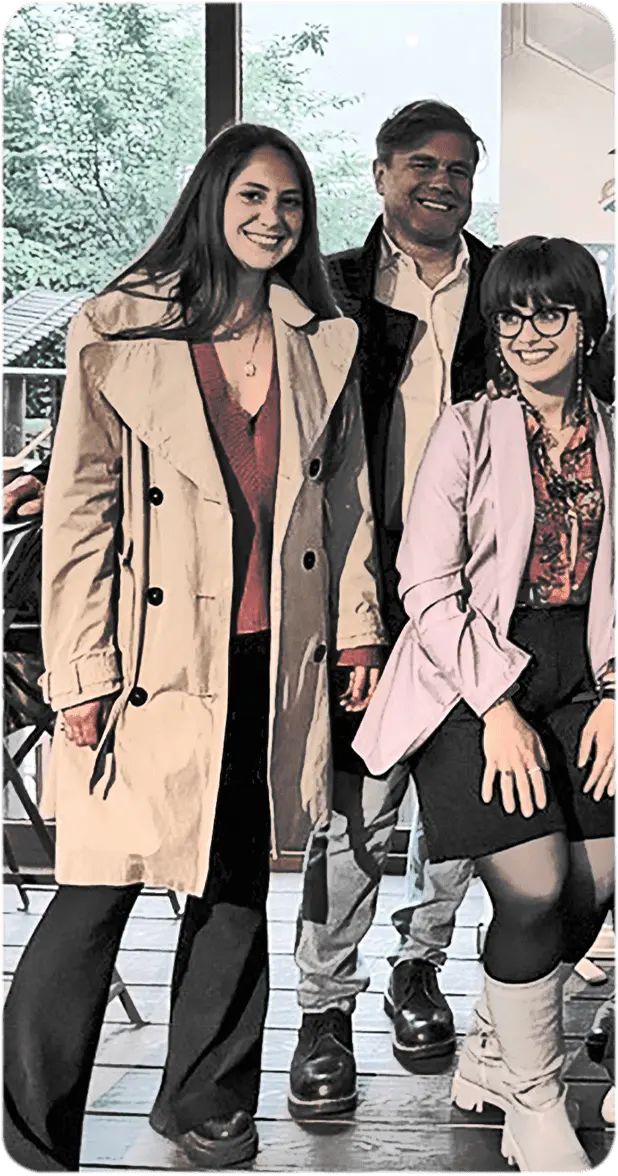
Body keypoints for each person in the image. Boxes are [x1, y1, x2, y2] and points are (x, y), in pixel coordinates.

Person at [1, 122, 386, 1174]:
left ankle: (205, 1100)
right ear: (211, 200)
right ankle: (27, 1135)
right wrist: (80, 673)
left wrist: (358, 633)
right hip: (146, 662)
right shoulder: (119, 330)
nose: (272, 218)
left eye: (290, 202)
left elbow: (346, 503)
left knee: (236, 883)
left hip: (274, 651)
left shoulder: (322, 338)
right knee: (97, 892)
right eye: (252, 196)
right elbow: (79, 514)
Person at [354, 235, 616, 1173]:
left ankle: (495, 1050)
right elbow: (425, 585)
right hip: (470, 675)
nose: (529, 333)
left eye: (551, 313)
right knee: (535, 886)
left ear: (589, 325)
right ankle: (533, 1102)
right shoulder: (466, 430)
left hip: (587, 675)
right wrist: (498, 706)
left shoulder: (614, 432)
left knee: (595, 881)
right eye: (511, 315)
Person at [289, 99, 496, 1120]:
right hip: (358, 592)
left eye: (459, 168)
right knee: (355, 813)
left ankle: (421, 965)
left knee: (455, 808)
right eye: (422, 163)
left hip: (473, 595)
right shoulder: (325, 288)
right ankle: (324, 1008)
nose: (441, 182)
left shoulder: (506, 289)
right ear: (380, 174)